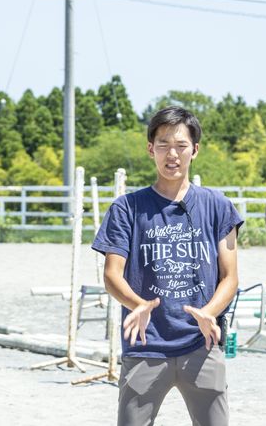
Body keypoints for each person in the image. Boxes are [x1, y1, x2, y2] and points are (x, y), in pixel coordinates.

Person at [92, 106, 243, 426]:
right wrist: (138, 303)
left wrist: (209, 312)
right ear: (151, 149)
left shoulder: (219, 207)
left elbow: (230, 277)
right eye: (163, 145)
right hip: (145, 345)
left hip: (202, 344)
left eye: (180, 145)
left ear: (195, 150)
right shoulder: (126, 208)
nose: (172, 154)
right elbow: (111, 275)